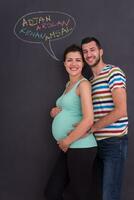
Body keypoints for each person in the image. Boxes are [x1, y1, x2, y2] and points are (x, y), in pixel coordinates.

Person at [45, 44, 98, 200]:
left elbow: (89, 119)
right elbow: (72, 108)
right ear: (64, 63)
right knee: (52, 192)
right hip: (69, 147)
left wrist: (67, 140)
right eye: (70, 60)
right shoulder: (69, 85)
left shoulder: (84, 84)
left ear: (83, 63)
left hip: (81, 146)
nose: (73, 64)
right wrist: (56, 111)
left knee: (80, 195)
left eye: (78, 60)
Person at [81, 37, 128, 200]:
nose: (89, 54)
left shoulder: (113, 72)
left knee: (109, 195)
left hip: (114, 142)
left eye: (92, 50)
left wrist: (93, 128)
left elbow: (121, 110)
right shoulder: (89, 82)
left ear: (101, 51)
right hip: (96, 144)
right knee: (98, 193)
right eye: (85, 51)